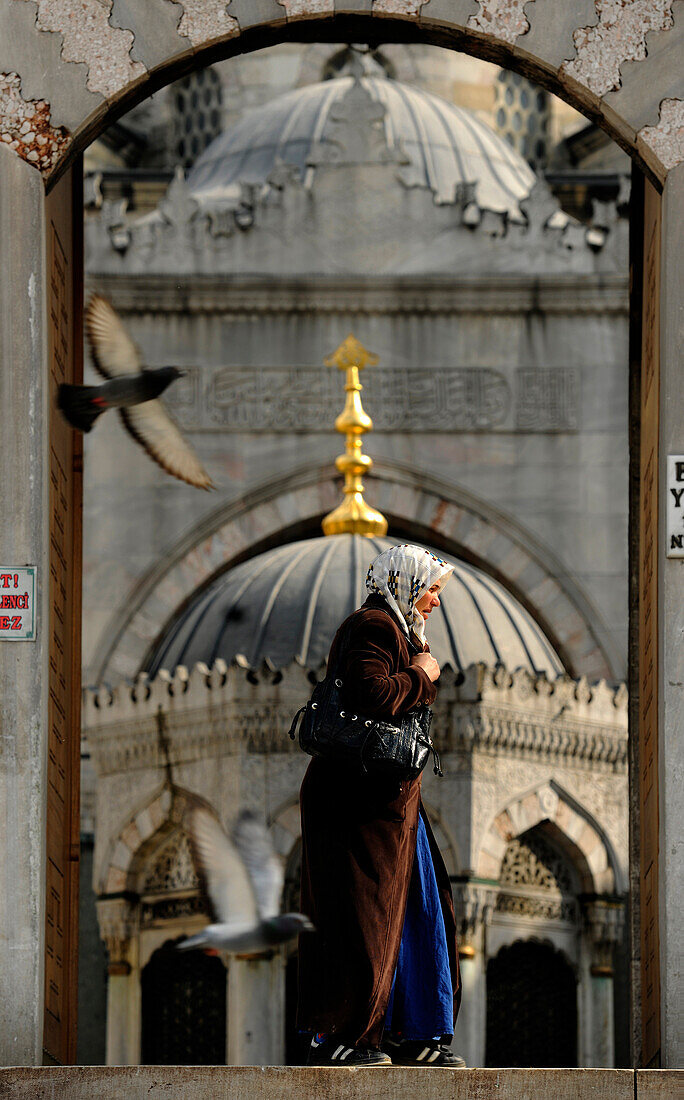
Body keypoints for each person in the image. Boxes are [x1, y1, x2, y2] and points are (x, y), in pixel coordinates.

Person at [297, 543, 464, 1068]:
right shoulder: (374, 627)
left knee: (417, 911)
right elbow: (371, 694)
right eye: (432, 589)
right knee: (362, 918)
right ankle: (350, 1036)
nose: (435, 601)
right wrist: (423, 675)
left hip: (391, 808)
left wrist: (419, 670)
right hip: (355, 804)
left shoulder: (401, 631)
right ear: (409, 584)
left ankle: (413, 1034)